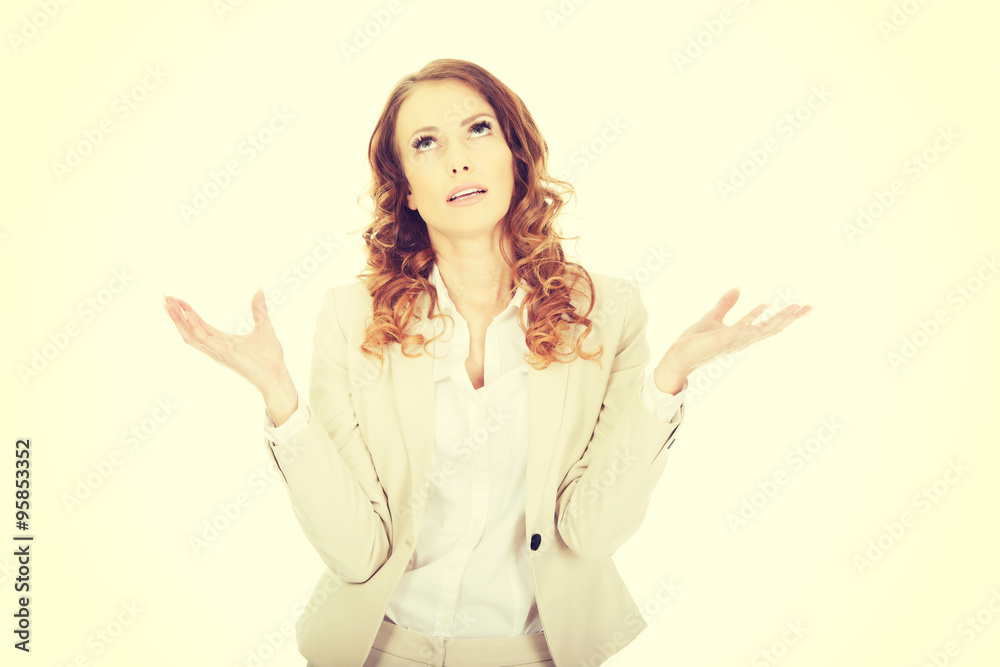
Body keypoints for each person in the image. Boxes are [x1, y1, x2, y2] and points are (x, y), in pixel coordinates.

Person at [163, 58, 812, 667]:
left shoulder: (607, 312)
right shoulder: (351, 318)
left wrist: (668, 381)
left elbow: (591, 533)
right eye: (426, 143)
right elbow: (358, 554)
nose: (458, 159)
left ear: (514, 156)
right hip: (383, 650)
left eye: (478, 129)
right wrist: (279, 397)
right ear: (405, 189)